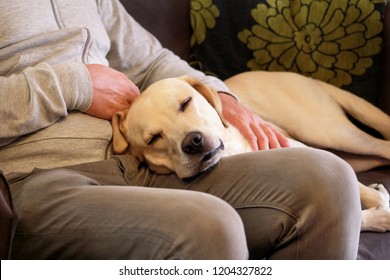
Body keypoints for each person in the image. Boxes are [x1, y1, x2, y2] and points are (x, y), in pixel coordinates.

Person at [0, 0, 361, 259]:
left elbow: (152, 61)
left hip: (145, 166)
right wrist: (74, 85)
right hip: (41, 181)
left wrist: (223, 96)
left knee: (328, 178)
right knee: (207, 226)